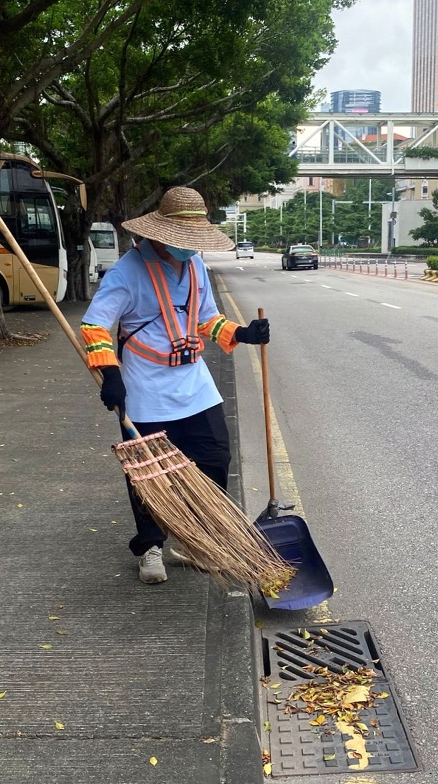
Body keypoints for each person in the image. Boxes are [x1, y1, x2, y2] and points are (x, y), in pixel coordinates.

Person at [79, 187, 270, 584]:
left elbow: (207, 320)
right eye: (183, 240)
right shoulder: (127, 271)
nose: (188, 248)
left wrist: (242, 333)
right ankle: (151, 546)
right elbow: (95, 325)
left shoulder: (195, 266)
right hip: (145, 385)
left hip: (193, 379)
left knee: (215, 457)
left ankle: (200, 539)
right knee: (148, 472)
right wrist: (110, 373)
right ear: (161, 234)